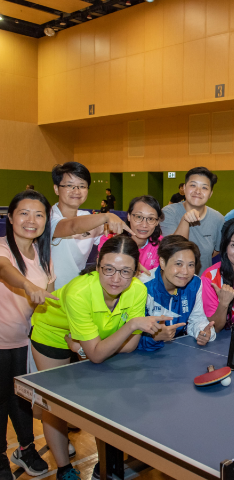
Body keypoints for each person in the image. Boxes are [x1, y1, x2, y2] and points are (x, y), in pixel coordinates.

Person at [30, 236, 171, 480]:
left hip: (96, 338)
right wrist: (129, 327)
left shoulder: (137, 291)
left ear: (136, 272)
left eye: (126, 272)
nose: (116, 279)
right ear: (97, 267)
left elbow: (130, 346)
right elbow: (99, 353)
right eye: (109, 269)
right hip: (53, 333)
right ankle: (64, 469)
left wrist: (85, 348)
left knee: (103, 402)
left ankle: (104, 463)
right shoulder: (79, 292)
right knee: (55, 407)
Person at [1, 191, 55, 479]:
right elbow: (5, 270)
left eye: (39, 214)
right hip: (0, 340)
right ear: (10, 217)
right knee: (0, 398)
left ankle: (25, 448)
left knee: (22, 398)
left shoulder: (44, 256)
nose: (31, 220)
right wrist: (26, 285)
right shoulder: (3, 249)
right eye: (23, 213)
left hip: (26, 339)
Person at [50, 162, 133, 289]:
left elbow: (110, 244)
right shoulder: (47, 217)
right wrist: (106, 216)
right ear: (56, 189)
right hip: (50, 295)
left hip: (77, 293)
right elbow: (72, 226)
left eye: (82, 186)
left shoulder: (87, 217)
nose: (76, 191)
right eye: (69, 185)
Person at [138, 236, 215, 351]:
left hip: (178, 353)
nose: (185, 272)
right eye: (178, 264)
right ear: (162, 263)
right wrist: (154, 337)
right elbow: (130, 335)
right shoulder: (143, 286)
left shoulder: (195, 284)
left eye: (190, 265)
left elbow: (197, 319)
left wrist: (202, 332)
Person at [160, 167, 224, 273]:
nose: (198, 191)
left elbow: (216, 251)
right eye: (193, 185)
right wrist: (185, 220)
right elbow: (172, 250)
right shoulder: (168, 212)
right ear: (184, 188)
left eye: (204, 188)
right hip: (173, 283)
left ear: (210, 193)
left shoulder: (218, 219)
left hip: (202, 283)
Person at [98, 196, 164, 271]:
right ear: (129, 216)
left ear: (157, 222)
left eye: (151, 219)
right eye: (138, 217)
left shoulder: (161, 245)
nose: (144, 225)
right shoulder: (111, 239)